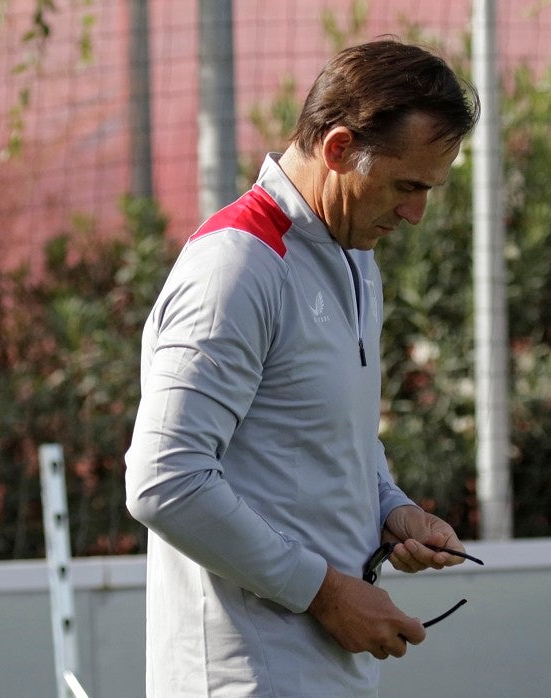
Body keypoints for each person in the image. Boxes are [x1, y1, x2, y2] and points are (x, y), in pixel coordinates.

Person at [125, 38, 480, 696]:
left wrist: (391, 508)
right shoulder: (236, 268)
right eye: (406, 185)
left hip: (325, 671)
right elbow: (163, 481)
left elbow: (325, 434)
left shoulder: (354, 257)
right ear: (339, 148)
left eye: (429, 189)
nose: (417, 213)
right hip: (244, 679)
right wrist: (328, 595)